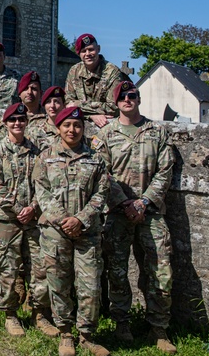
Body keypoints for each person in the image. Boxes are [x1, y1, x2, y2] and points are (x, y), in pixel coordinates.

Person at [96, 81, 177, 354]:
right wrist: (124, 202)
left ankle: (159, 329)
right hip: (118, 214)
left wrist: (143, 201)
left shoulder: (157, 131)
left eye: (132, 95)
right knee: (117, 271)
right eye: (122, 97)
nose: (127, 100)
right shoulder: (106, 134)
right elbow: (102, 173)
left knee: (160, 272)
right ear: (116, 103)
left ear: (138, 98)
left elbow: (165, 171)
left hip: (151, 213)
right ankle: (122, 323)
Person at [33, 106, 110, 356]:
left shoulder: (96, 156)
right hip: (55, 232)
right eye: (67, 125)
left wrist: (81, 219)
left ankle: (87, 335)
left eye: (77, 125)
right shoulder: (46, 157)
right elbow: (42, 192)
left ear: (83, 128)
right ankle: (65, 333)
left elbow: (102, 192)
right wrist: (64, 219)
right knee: (58, 282)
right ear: (59, 128)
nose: (72, 130)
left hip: (87, 231)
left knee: (90, 285)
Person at [0, 102, 52, 337]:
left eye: (21, 120)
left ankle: (39, 314)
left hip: (34, 219)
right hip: (6, 219)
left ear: (26, 123)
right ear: (5, 124)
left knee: (40, 267)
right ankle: (10, 314)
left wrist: (33, 207)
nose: (17, 123)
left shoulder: (37, 151)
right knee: (8, 268)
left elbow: (44, 184)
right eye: (12, 120)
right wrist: (18, 209)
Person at [64, 33, 128, 135]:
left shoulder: (112, 72)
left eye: (91, 49)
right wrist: (91, 116)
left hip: (108, 128)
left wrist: (79, 105)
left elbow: (113, 107)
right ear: (79, 54)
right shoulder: (74, 71)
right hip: (79, 128)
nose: (88, 54)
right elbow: (68, 104)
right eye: (84, 51)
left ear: (98, 49)